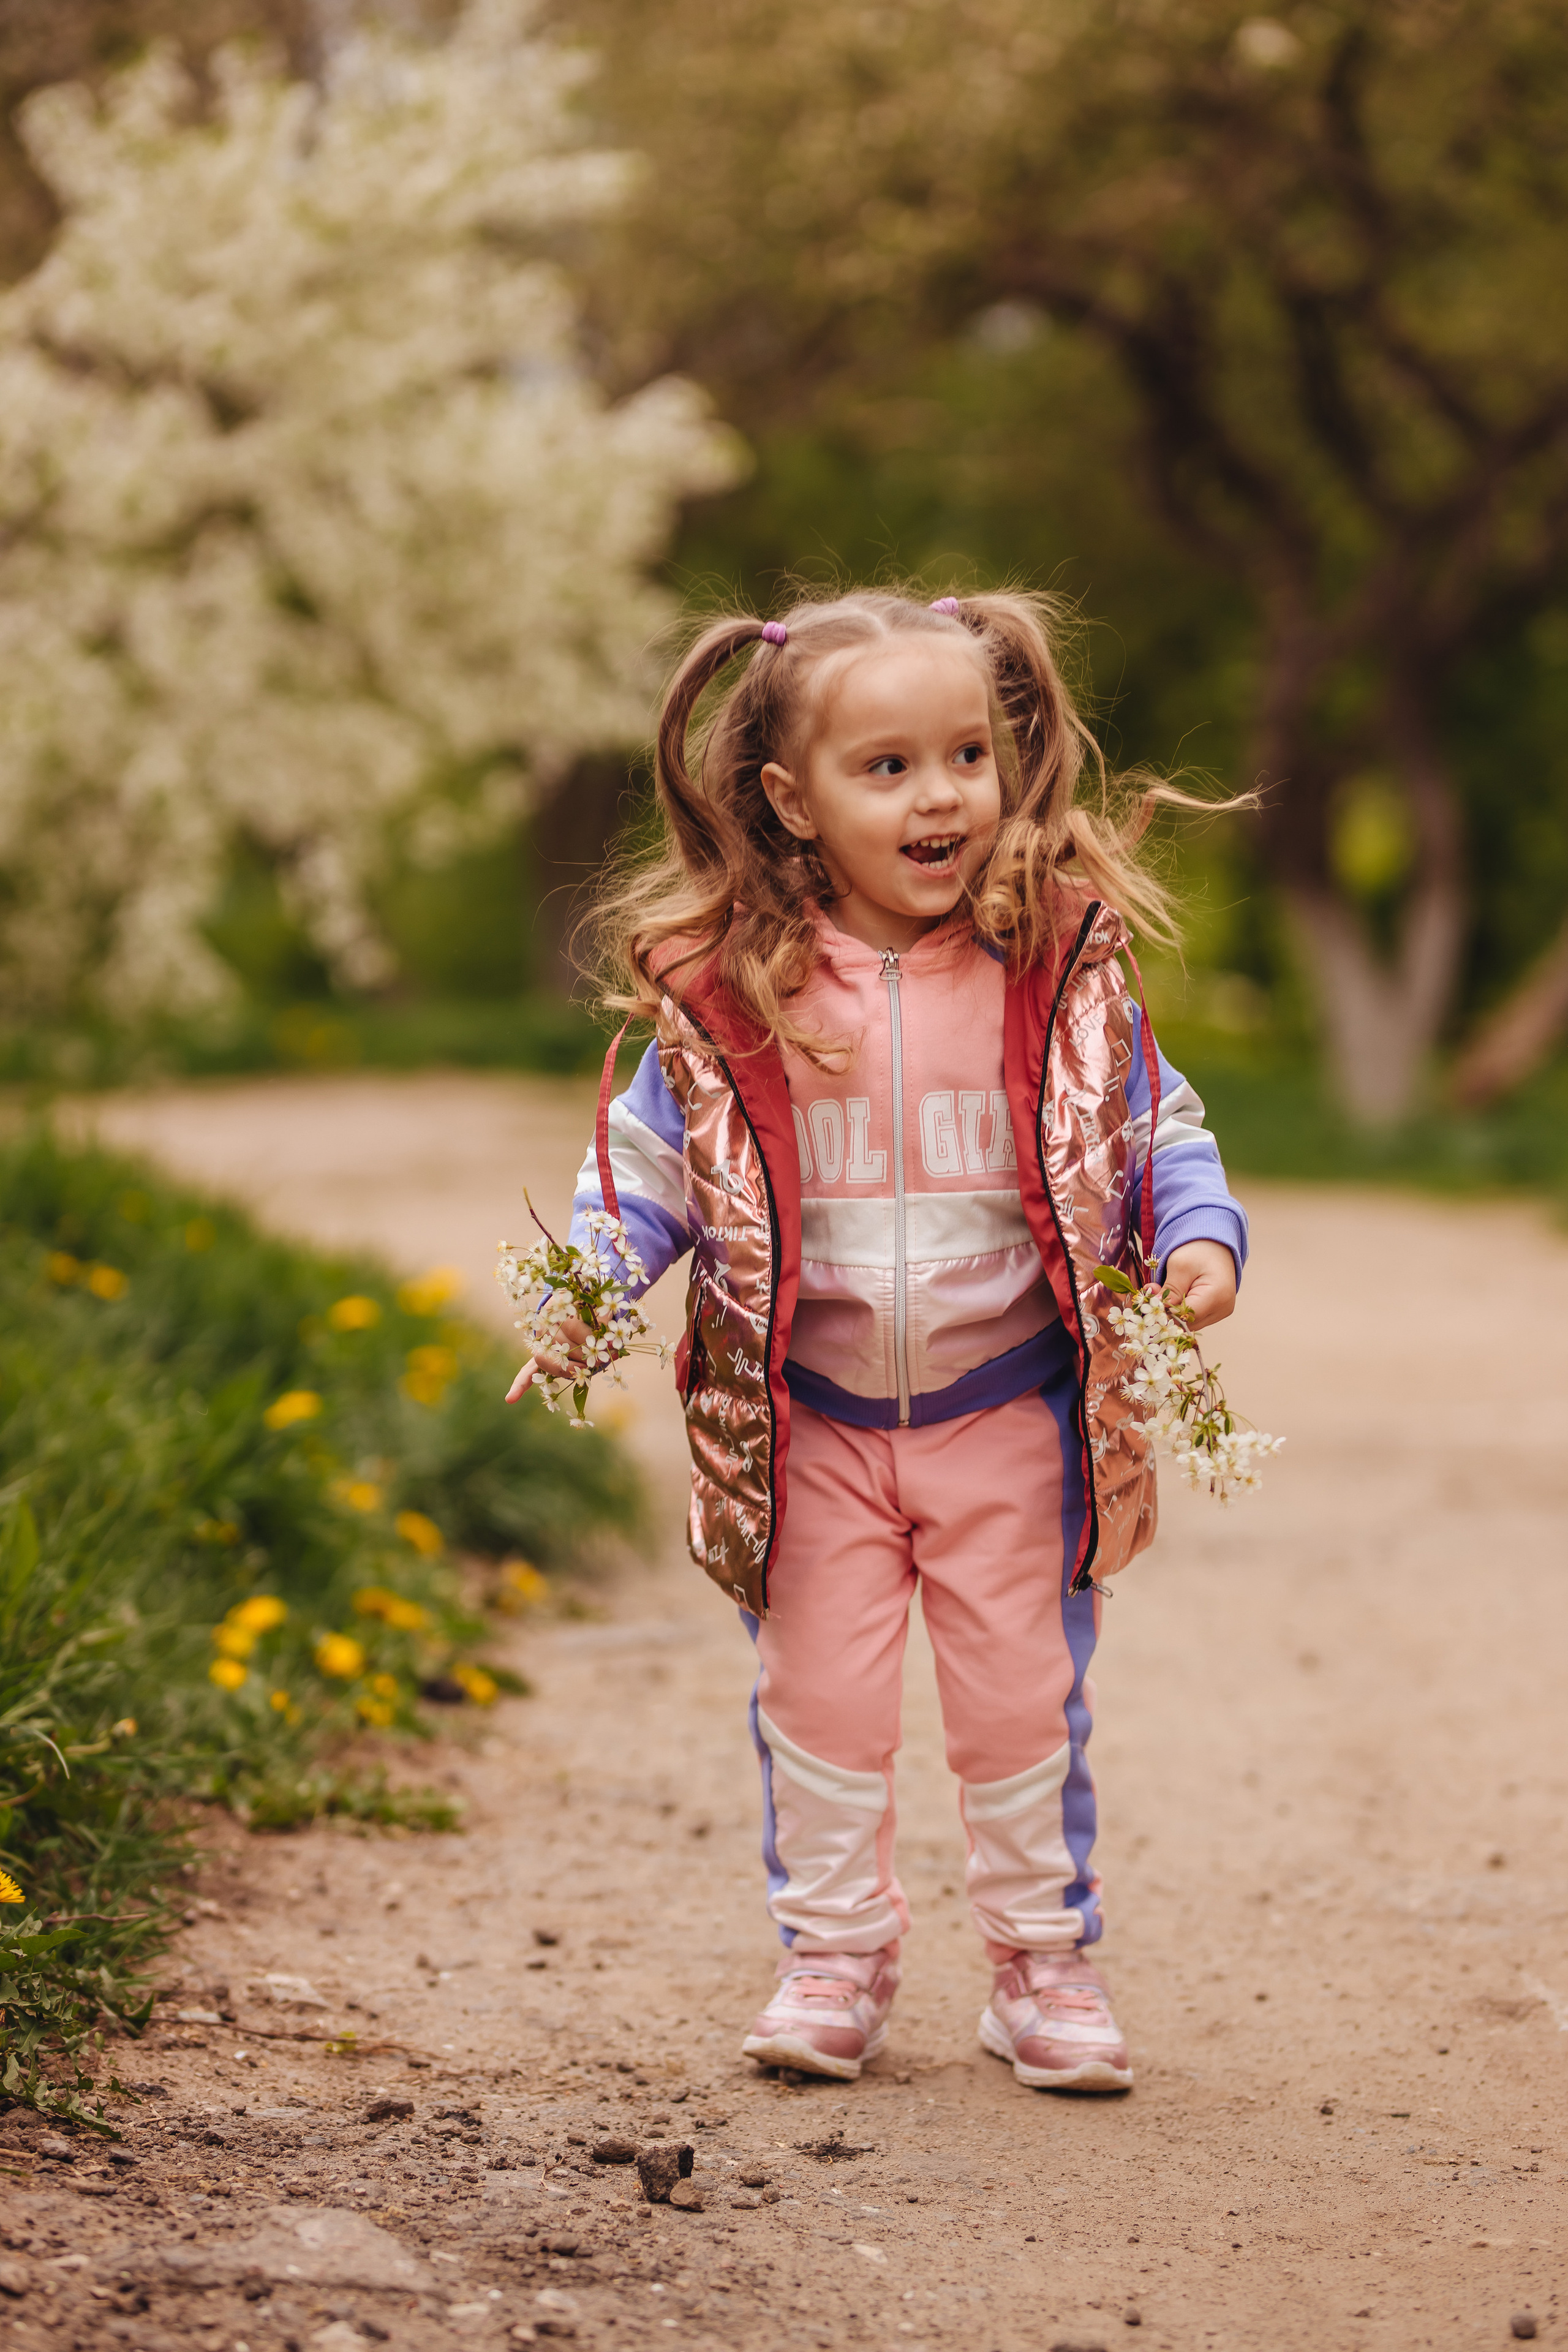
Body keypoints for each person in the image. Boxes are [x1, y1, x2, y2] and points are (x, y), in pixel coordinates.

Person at [507, 589, 1248, 2093]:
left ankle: (1042, 1967)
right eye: (888, 768)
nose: (941, 797)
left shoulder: (1055, 968)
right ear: (791, 803)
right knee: (822, 1707)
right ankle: (834, 1956)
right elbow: (651, 1167)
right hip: (811, 1422)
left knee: (1019, 1701)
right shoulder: (733, 989)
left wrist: (1195, 1236)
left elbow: (1149, 1119)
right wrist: (593, 1288)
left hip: (1008, 1410)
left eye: (966, 755)